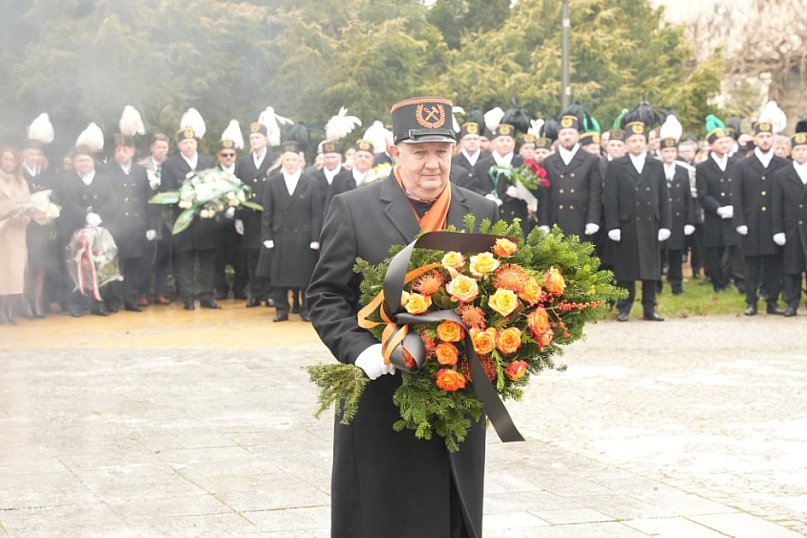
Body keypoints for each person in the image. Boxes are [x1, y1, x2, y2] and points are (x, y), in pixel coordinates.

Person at [307, 96, 498, 538]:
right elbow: (324, 296)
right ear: (395, 152)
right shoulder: (354, 208)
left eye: (441, 151)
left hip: (457, 394)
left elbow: (495, 296)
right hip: (382, 393)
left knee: (454, 512)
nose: (432, 164)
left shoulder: (481, 211)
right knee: (382, 513)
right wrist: (362, 351)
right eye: (419, 152)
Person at [604, 120, 671, 321]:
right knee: (626, 269)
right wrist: (613, 225)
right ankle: (624, 307)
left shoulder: (656, 164)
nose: (638, 144)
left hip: (651, 223)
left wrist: (665, 225)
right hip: (627, 224)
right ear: (626, 144)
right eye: (633, 140)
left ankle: (649, 308)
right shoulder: (616, 165)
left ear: (647, 142)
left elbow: (663, 196)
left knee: (651, 269)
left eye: (641, 140)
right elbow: (610, 198)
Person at [260, 141, 323, 322]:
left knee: (305, 276)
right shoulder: (272, 182)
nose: (290, 163)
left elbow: (316, 213)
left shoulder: (311, 183)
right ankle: (281, 309)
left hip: (303, 237)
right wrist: (267, 237)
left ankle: (305, 309)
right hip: (280, 236)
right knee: (279, 276)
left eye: (294, 159)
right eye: (287, 159)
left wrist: (315, 238)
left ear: (300, 161)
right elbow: (267, 212)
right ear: (282, 161)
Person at [733, 114, 789, 315]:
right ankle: (751, 301)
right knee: (752, 265)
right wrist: (739, 220)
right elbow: (737, 196)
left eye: (768, 136)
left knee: (774, 264)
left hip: (774, 223)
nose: (765, 140)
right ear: (754, 139)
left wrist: (784, 225)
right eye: (761, 136)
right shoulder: (743, 165)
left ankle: (772, 301)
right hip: (751, 223)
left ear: (773, 139)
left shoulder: (782, 165)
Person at [56, 142, 118, 317]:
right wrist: (84, 215)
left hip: (98, 229)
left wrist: (99, 216)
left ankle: (99, 302)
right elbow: (65, 201)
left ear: (93, 162)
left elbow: (113, 201)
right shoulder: (65, 179)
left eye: (87, 160)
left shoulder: (104, 179)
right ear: (75, 162)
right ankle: (76, 304)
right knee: (74, 264)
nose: (84, 163)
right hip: (73, 228)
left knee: (100, 263)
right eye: (80, 160)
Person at [160, 122, 216, 310]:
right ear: (179, 145)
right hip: (183, 219)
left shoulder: (207, 162)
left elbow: (215, 186)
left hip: (205, 219)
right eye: (185, 143)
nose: (189, 146)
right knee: (185, 260)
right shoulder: (169, 165)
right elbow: (166, 190)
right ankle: (188, 297)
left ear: (196, 144)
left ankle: (208, 296)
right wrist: (186, 195)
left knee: (207, 259)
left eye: (192, 142)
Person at [696, 115, 745, 294]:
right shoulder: (703, 168)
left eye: (726, 141)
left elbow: (742, 189)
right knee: (714, 251)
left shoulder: (738, 163)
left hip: (734, 214)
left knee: (736, 249)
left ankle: (740, 282)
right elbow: (703, 195)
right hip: (714, 215)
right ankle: (718, 283)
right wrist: (718, 208)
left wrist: (735, 207)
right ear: (711, 145)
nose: (724, 145)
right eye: (720, 142)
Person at [106, 132, 154, 312]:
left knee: (135, 264)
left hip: (136, 225)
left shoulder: (140, 171)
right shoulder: (108, 169)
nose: (121, 153)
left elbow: (147, 199)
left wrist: (150, 225)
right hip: (115, 225)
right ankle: (113, 299)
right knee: (115, 263)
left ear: (133, 151)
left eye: (125, 149)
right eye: (118, 149)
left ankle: (131, 299)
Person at [539, 111, 602, 241]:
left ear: (578, 136)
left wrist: (593, 219)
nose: (567, 137)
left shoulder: (591, 160)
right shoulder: (548, 161)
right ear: (558, 136)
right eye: (563, 133)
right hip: (555, 219)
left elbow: (595, 193)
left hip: (581, 218)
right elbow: (544, 195)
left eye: (571, 133)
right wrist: (543, 222)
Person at [236, 121, 277, 308]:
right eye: (251, 138)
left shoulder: (275, 159)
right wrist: (238, 216)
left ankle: (270, 293)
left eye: (257, 137)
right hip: (250, 216)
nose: (254, 140)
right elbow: (237, 189)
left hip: (269, 215)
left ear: (266, 139)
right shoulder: (243, 162)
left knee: (267, 254)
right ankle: (255, 293)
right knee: (251, 255)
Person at [771, 130, 807, 317]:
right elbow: (776, 205)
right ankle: (792, 302)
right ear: (791, 152)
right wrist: (777, 230)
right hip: (791, 228)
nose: (801, 152)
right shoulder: (781, 175)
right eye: (798, 149)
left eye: (804, 149)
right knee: (792, 268)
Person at [657, 122, 696, 295]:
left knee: (676, 255)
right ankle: (656, 286)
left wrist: (690, 221)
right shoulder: (655, 169)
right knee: (658, 255)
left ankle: (677, 287)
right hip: (660, 220)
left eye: (672, 151)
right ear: (660, 152)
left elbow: (689, 197)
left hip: (679, 219)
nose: (670, 154)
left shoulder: (683, 171)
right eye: (666, 151)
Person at [137, 133, 172, 305]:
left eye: (165, 147)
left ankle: (160, 292)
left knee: (164, 257)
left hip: (167, 217)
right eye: (159, 147)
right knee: (146, 256)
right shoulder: (141, 166)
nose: (162, 150)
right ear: (152, 147)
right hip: (148, 216)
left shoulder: (171, 165)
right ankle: (142, 292)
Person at [0, 148, 31, 324]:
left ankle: (11, 310)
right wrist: (9, 211)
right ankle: (2, 311)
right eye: (5, 159)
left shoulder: (22, 182)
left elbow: (27, 205)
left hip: (18, 233)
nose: (8, 163)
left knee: (16, 273)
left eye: (12, 160)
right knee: (2, 272)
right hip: (2, 233)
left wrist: (26, 216)